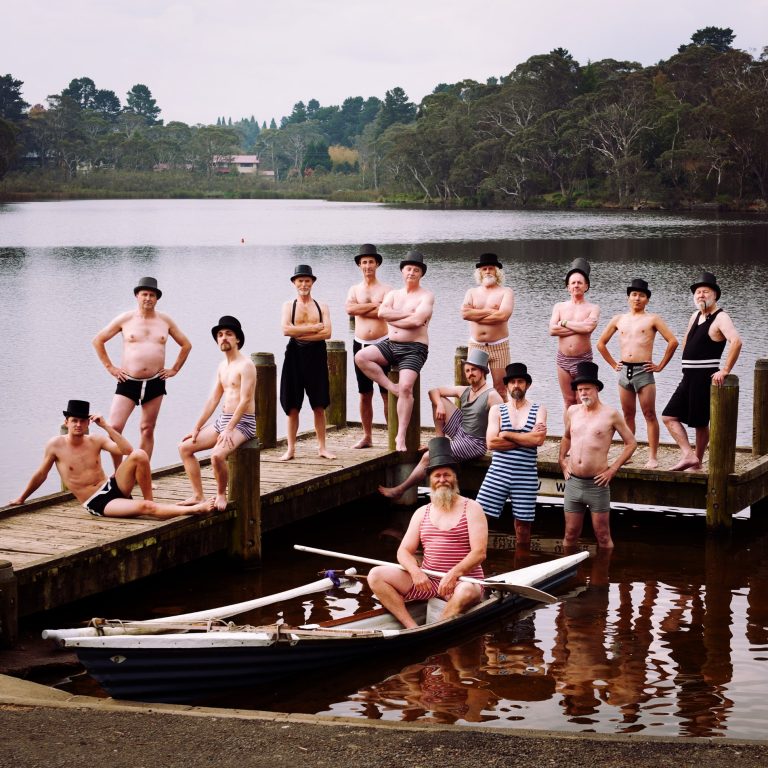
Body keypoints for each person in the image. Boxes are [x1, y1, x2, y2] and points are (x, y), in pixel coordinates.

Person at [9, 400, 213, 517]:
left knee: (140, 455)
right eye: (74, 421)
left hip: (112, 486)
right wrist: (22, 498)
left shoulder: (96, 439)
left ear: (88, 423)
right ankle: (196, 509)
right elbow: (41, 474)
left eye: (82, 421)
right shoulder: (56, 445)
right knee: (146, 509)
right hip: (96, 501)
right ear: (67, 422)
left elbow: (127, 450)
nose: (78, 425)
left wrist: (106, 426)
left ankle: (151, 501)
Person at [367, 437, 488, 629]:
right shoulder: (421, 512)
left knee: (466, 592)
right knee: (375, 575)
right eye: (437, 476)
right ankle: (411, 627)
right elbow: (404, 551)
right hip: (428, 582)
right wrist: (415, 572)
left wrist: (453, 574)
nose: (442, 480)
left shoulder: (472, 508)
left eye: (446, 475)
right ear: (430, 480)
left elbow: (479, 553)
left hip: (463, 581)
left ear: (455, 477)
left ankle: (436, 629)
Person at [92, 276, 192, 469]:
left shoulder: (165, 320)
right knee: (114, 428)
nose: (148, 298)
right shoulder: (125, 319)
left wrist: (174, 369)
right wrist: (110, 367)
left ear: (157, 298)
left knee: (147, 429)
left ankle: (142, 472)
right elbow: (98, 340)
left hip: (155, 382)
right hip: (127, 381)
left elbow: (186, 345)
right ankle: (118, 474)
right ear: (137, 296)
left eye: (152, 295)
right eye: (144, 294)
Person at [378, 349, 502, 500]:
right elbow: (433, 391)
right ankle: (440, 442)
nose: (470, 373)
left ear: (483, 371)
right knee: (439, 400)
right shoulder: (465, 390)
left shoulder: (492, 395)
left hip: (474, 442)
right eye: (467, 370)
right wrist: (440, 405)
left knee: (428, 457)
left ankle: (400, 489)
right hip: (460, 431)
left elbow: (503, 420)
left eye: (474, 370)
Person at [662, 271, 742, 471]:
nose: (701, 295)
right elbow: (687, 343)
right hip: (688, 376)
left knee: (699, 423)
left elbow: (736, 341)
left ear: (715, 295)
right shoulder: (695, 315)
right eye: (698, 292)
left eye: (705, 292)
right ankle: (690, 456)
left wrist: (725, 370)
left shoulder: (720, 317)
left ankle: (695, 461)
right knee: (668, 416)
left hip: (705, 376)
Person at [355, 250, 435, 451]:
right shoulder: (393, 294)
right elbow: (382, 313)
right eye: (408, 269)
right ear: (402, 271)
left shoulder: (426, 296)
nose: (411, 273)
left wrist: (398, 317)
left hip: (414, 349)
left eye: (416, 270)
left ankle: (400, 437)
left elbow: (418, 321)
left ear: (421, 274)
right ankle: (392, 387)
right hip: (390, 345)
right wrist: (407, 315)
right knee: (361, 356)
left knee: (407, 387)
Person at [596, 278, 679, 469]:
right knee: (627, 415)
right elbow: (600, 343)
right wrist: (613, 364)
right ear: (628, 298)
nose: (637, 298)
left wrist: (660, 366)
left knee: (649, 414)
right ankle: (628, 453)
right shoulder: (619, 319)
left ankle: (653, 456)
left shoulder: (652, 319)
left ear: (647, 299)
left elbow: (673, 341)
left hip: (644, 370)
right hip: (625, 371)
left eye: (641, 295)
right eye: (634, 295)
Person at [178, 316, 257, 512]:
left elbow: (245, 400)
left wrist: (229, 429)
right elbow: (213, 400)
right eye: (220, 335)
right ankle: (198, 495)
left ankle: (221, 493)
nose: (224, 338)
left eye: (228, 334)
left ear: (237, 339)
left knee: (216, 456)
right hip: (223, 420)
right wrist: (196, 427)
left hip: (243, 423)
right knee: (184, 447)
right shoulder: (223, 366)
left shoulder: (246, 365)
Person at [559, 361, 637, 549]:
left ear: (596, 388)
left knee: (602, 536)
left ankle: (602, 578)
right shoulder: (572, 411)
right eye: (579, 390)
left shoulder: (611, 414)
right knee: (570, 534)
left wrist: (612, 470)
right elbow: (567, 436)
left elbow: (631, 443)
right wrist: (562, 460)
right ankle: (569, 577)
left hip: (597, 484)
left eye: (587, 389)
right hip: (573, 482)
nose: (583, 393)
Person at [476, 362, 547, 547]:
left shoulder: (538, 409)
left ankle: (522, 564)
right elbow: (491, 443)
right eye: (513, 382)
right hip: (497, 473)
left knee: (523, 528)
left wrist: (506, 434)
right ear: (507, 385)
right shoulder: (497, 410)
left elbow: (538, 440)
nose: (516, 385)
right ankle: (476, 564)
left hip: (526, 475)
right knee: (480, 519)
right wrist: (525, 438)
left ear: (527, 385)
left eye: (520, 381)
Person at [279, 265, 336, 461]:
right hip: (294, 355)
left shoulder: (322, 306)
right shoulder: (289, 305)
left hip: (316, 356)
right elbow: (286, 330)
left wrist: (300, 331)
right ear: (294, 283)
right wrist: (313, 328)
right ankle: (291, 449)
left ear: (312, 282)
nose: (304, 284)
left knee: (319, 404)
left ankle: (322, 447)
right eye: (300, 281)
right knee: (292, 405)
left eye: (307, 281)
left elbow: (327, 333)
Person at [345, 244, 392, 449]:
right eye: (364, 262)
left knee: (386, 392)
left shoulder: (387, 290)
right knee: (365, 393)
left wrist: (363, 309)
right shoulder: (354, 289)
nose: (367, 266)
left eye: (371, 262)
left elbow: (385, 312)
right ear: (359, 265)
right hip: (360, 344)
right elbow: (349, 309)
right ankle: (367, 436)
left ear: (377, 264)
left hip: (383, 345)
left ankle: (393, 434)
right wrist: (374, 306)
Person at [461, 253, 515, 399]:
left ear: (497, 271)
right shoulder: (471, 292)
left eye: (491, 268)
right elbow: (465, 314)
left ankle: (500, 421)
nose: (487, 272)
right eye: (484, 269)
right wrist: (490, 311)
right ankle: (479, 421)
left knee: (501, 388)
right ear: (479, 272)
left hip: (499, 346)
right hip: (477, 345)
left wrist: (476, 314)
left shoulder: (506, 292)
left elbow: (503, 316)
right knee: (475, 386)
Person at [549, 258, 600, 413]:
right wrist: (579, 327)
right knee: (568, 401)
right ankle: (569, 436)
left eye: (579, 282)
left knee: (582, 401)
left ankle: (583, 435)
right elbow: (552, 330)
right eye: (573, 283)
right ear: (568, 287)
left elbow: (589, 327)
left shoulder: (593, 307)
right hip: (563, 359)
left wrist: (564, 323)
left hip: (582, 359)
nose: (576, 285)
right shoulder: (559, 306)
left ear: (586, 286)